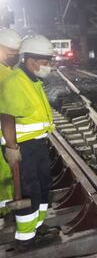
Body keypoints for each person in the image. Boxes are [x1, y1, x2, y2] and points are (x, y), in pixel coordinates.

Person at [0, 34, 56, 250]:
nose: (48, 66)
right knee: (29, 190)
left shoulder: (32, 80)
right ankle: (26, 239)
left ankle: (37, 227)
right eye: (45, 62)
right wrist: (12, 149)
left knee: (42, 187)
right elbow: (7, 117)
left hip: (37, 144)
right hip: (24, 148)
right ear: (31, 61)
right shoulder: (16, 82)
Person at [0, 28, 22, 230]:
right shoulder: (6, 75)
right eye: (11, 53)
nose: (13, 57)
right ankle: (6, 214)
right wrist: (12, 146)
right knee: (4, 177)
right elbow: (7, 114)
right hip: (3, 138)